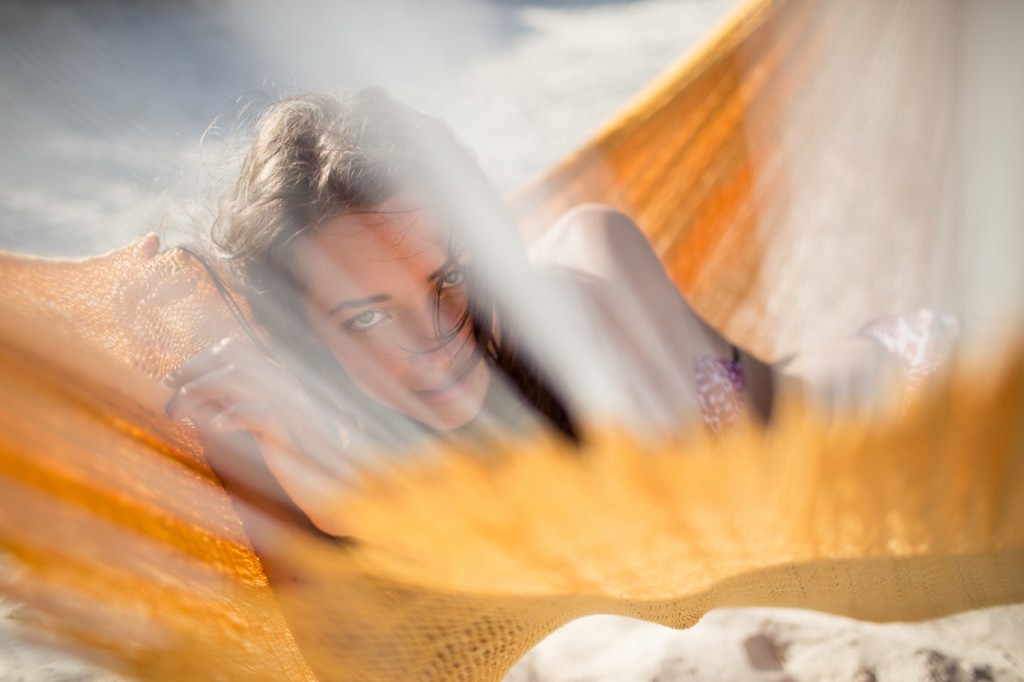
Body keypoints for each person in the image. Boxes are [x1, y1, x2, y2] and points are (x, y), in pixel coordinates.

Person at [162, 90, 914, 538]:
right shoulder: (321, 430)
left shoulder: (593, 279)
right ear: (306, 335)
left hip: (888, 395)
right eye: (366, 318)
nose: (433, 338)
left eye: (450, 277)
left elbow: (704, 519)